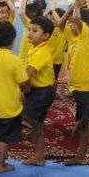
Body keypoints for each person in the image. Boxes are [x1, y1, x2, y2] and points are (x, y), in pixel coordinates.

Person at [60, 0, 89, 165]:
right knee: (83, 124)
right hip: (77, 88)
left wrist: (77, 7)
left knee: (85, 119)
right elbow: (61, 25)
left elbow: (79, 21)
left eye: (74, 23)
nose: (71, 25)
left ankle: (81, 150)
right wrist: (71, 10)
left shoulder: (88, 37)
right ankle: (81, 155)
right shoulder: (73, 38)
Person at [0, 21, 29, 173]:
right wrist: (24, 91)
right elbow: (24, 83)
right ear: (12, 40)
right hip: (8, 108)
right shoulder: (15, 60)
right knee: (3, 138)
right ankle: (1, 165)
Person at [22, 16, 56, 167]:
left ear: (46, 35)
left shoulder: (42, 51)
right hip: (36, 90)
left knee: (24, 117)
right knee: (37, 124)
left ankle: (32, 134)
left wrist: (14, 85)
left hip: (42, 93)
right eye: (29, 29)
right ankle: (39, 156)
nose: (30, 32)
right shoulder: (34, 48)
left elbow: (28, 72)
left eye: (34, 31)